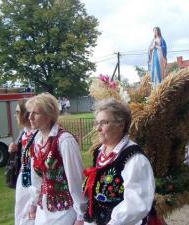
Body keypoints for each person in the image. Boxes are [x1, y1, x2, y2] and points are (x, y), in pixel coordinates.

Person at [83, 98, 155, 225]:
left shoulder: (134, 159)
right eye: (96, 123)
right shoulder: (99, 152)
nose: (97, 128)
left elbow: (136, 204)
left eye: (104, 122)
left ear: (121, 125)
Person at [26, 93, 85, 225]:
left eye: (35, 113)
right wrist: (33, 203)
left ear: (48, 115)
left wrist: (81, 215)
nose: (30, 117)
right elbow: (37, 178)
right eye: (30, 112)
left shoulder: (64, 140)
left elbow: (75, 179)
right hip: (43, 209)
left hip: (65, 210)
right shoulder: (36, 140)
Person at [8, 99, 38, 225]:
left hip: (34, 177)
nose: (15, 115)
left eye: (17, 112)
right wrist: (14, 148)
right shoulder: (23, 132)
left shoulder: (38, 133)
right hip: (23, 175)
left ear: (25, 113)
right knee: (20, 210)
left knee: (30, 211)